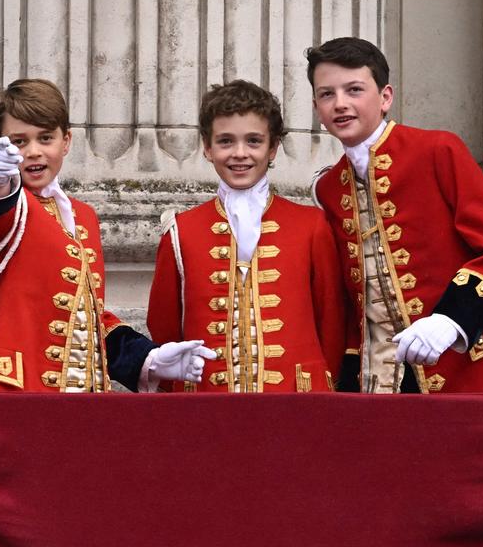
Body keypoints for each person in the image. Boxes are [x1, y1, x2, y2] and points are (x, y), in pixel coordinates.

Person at [308, 37, 483, 393]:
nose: (340, 104)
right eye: (327, 94)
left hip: (468, 367)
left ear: (385, 97)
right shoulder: (328, 189)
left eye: (354, 89)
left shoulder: (437, 150)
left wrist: (451, 320)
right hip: (379, 382)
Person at [0, 78, 214, 392]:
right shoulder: (7, 201)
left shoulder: (83, 216)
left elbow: (91, 317)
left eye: (45, 138)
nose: (34, 152)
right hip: (17, 390)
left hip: (83, 395)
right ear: (0, 145)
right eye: (19, 142)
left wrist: (148, 358)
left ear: (66, 141)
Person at [146, 80, 348, 392]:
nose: (240, 153)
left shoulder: (311, 224)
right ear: (207, 147)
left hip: (298, 400)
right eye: (226, 141)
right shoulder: (180, 230)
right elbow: (164, 325)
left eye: (254, 141)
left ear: (273, 147)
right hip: (205, 403)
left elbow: (332, 322)